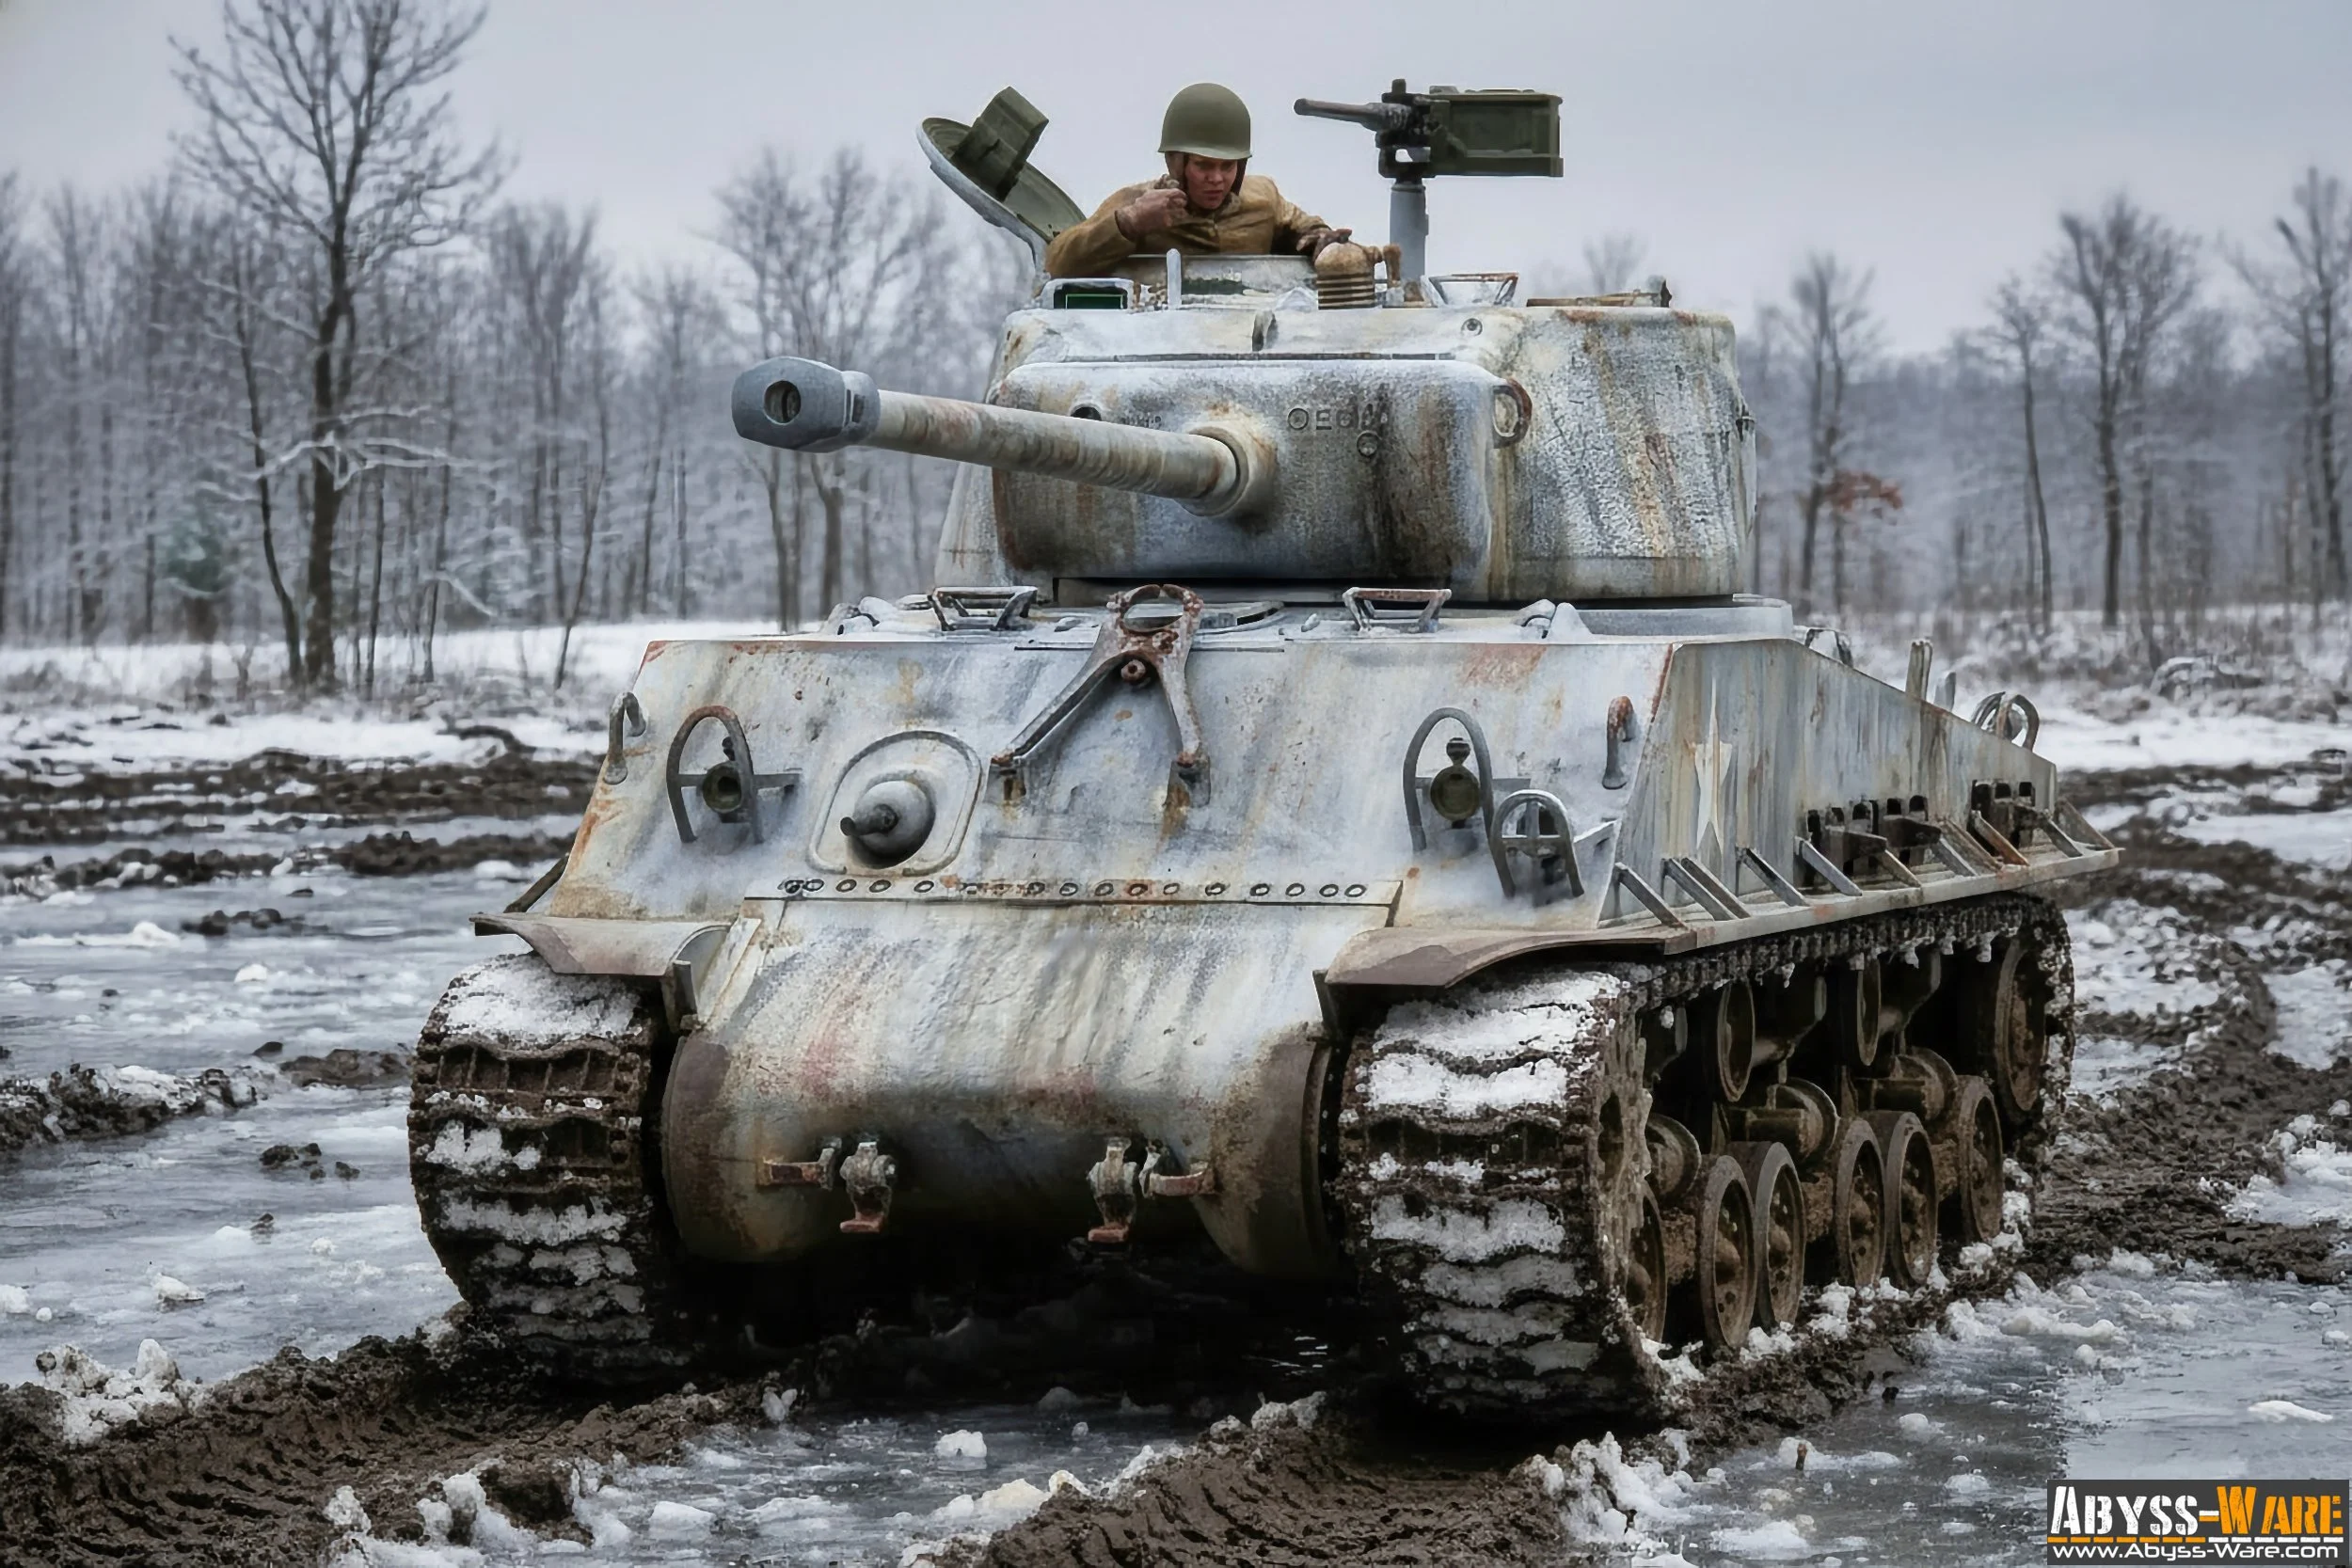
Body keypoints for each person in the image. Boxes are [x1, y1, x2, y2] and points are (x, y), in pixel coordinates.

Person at [1043, 83, 1352, 279]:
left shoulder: (1263, 198)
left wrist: (1321, 240)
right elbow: (1058, 262)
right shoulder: (1137, 204)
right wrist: (1132, 223)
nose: (1216, 179)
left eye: (1227, 166)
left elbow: (1306, 229)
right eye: (1203, 166)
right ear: (1176, 163)